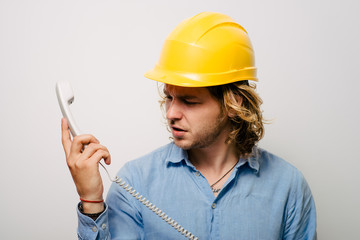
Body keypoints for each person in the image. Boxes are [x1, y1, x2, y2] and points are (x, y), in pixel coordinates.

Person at [61, 12, 317, 240]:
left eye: (189, 101)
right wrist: (91, 201)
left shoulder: (288, 187)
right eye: (169, 97)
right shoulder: (135, 182)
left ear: (233, 104)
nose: (171, 113)